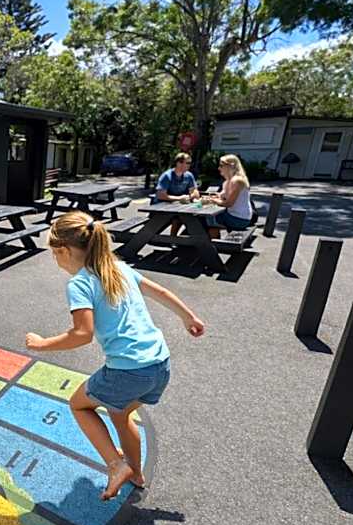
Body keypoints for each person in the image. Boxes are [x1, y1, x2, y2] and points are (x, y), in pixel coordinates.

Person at [26, 212, 205, 500]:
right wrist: (189, 317)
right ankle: (136, 472)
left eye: (54, 256)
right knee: (120, 414)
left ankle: (116, 464)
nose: (56, 262)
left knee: (79, 405)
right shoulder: (119, 268)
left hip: (128, 370)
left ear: (63, 251)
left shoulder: (80, 284)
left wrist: (42, 344)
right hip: (160, 364)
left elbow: (82, 334)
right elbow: (157, 290)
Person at [202, 154, 253, 238]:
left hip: (239, 219)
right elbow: (223, 197)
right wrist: (214, 197)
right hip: (234, 215)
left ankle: (213, 244)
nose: (219, 168)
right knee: (207, 219)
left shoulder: (237, 181)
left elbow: (228, 203)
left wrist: (212, 200)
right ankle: (210, 242)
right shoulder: (227, 181)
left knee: (208, 219)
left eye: (221, 165)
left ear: (231, 166)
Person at [155, 152, 200, 236]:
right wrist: (179, 198)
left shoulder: (189, 175)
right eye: (187, 163)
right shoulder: (167, 176)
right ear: (178, 163)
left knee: (193, 216)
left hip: (178, 206)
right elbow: (160, 195)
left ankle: (180, 238)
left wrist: (190, 197)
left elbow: (195, 192)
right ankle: (173, 238)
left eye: (189, 163)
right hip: (161, 207)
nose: (189, 165)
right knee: (180, 217)